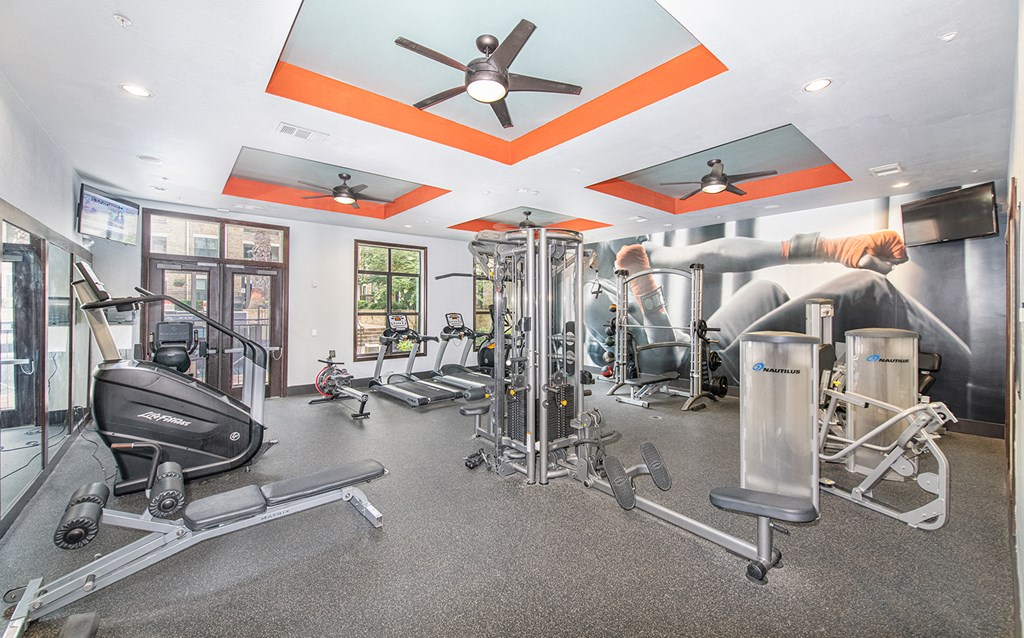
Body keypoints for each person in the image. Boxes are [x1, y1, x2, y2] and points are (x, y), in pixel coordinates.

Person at [588, 229, 970, 411]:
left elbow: (711, 251)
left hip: (694, 353)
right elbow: (660, 367)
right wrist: (646, 295)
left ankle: (802, 386)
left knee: (765, 289)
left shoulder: (622, 252)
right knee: (868, 287)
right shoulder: (597, 291)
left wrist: (830, 247)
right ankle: (963, 395)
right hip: (683, 372)